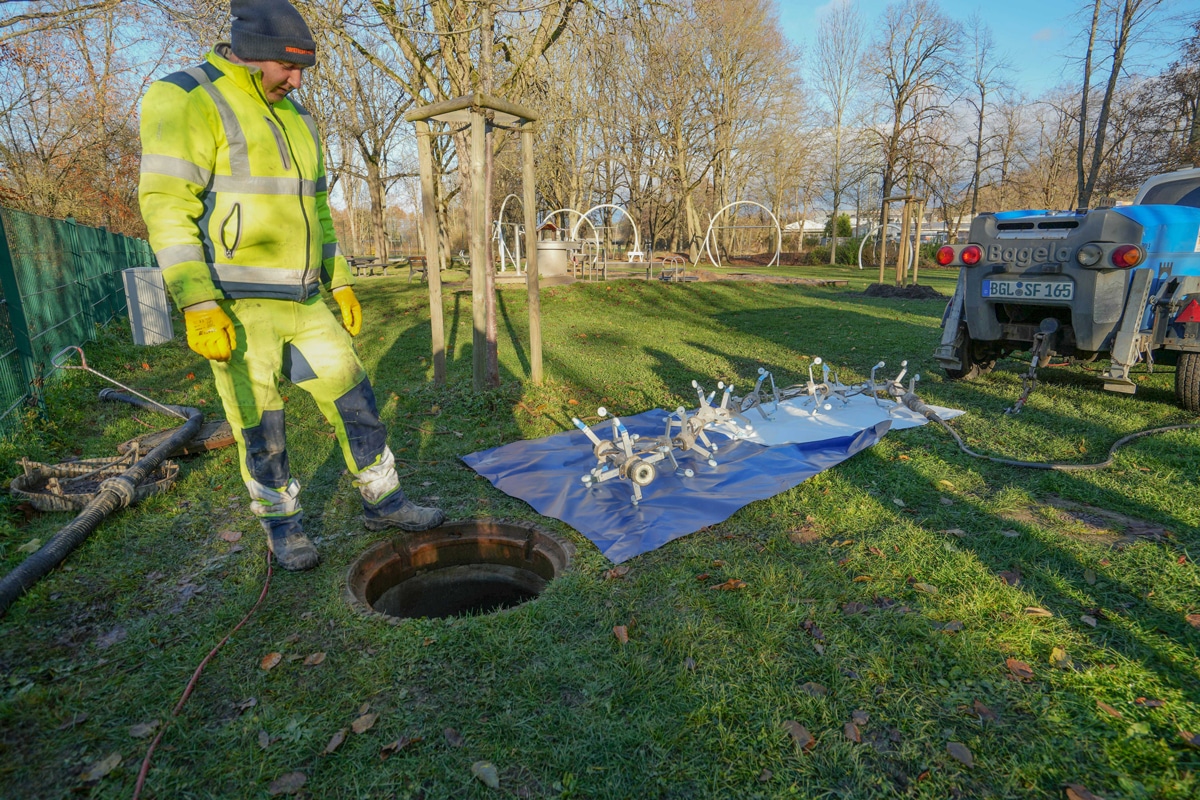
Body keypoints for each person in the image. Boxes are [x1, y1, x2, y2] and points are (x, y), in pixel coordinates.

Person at [137, 0, 444, 571]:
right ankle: (283, 527)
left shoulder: (299, 119)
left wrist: (341, 282)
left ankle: (385, 502)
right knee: (261, 425)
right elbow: (165, 207)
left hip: (304, 301)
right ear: (251, 53)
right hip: (236, 304)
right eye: (287, 67)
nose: (296, 80)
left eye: (303, 69)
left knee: (356, 400)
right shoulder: (186, 97)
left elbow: (318, 212)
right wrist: (199, 303)